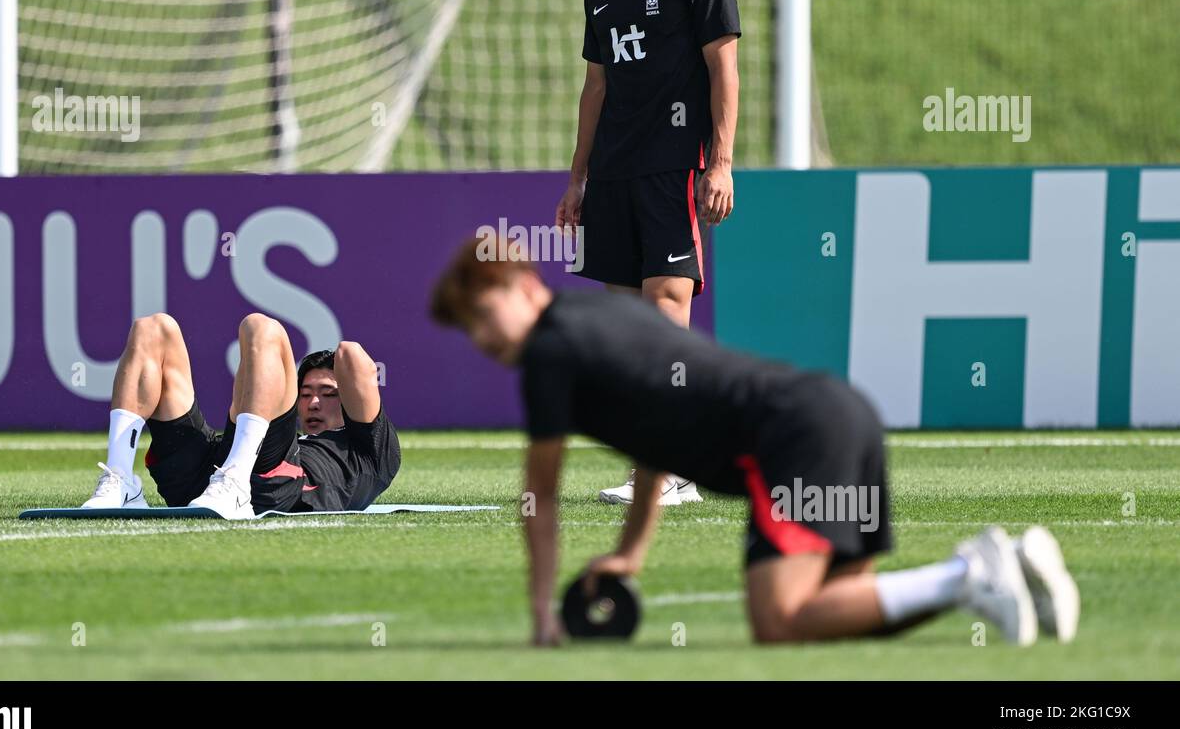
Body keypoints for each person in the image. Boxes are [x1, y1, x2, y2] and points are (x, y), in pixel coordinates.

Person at [429, 239, 1080, 647]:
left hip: (790, 438)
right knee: (838, 614)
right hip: (839, 411)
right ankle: (1015, 566)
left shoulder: (549, 353)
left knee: (780, 621)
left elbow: (539, 495)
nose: (484, 339)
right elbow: (654, 437)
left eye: (485, 316)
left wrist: (542, 615)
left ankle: (970, 573)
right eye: (469, 330)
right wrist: (629, 553)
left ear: (527, 287)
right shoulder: (602, 317)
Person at [556, 0, 741, 506]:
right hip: (613, 175)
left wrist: (719, 163)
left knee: (667, 312)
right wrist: (578, 178)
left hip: (674, 170)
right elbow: (595, 87)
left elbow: (725, 70)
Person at [80, 312, 399, 519]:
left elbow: (352, 355)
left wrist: (335, 366)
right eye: (305, 393)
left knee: (261, 327)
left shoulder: (370, 452)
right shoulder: (288, 430)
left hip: (270, 484)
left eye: (329, 394)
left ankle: (236, 480)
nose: (314, 402)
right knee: (152, 327)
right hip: (205, 478)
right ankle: (121, 481)